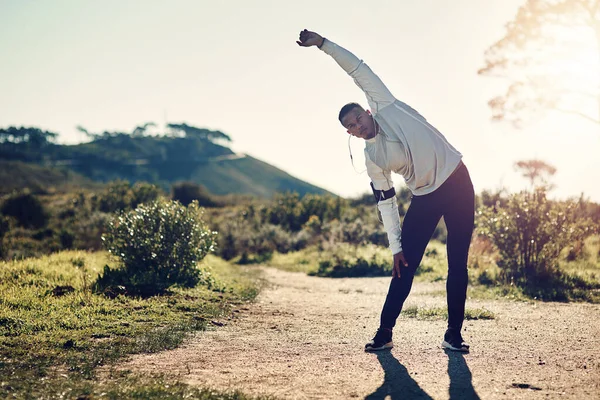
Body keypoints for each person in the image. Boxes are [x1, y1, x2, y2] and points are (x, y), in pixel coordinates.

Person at [297, 29, 474, 353]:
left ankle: (453, 333)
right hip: (424, 195)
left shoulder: (385, 104)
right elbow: (387, 203)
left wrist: (323, 44)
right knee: (404, 265)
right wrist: (395, 247)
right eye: (349, 127)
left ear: (366, 111)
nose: (356, 127)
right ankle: (385, 332)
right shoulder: (373, 158)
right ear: (348, 132)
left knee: (457, 261)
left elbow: (357, 69)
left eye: (356, 119)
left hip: (457, 180)